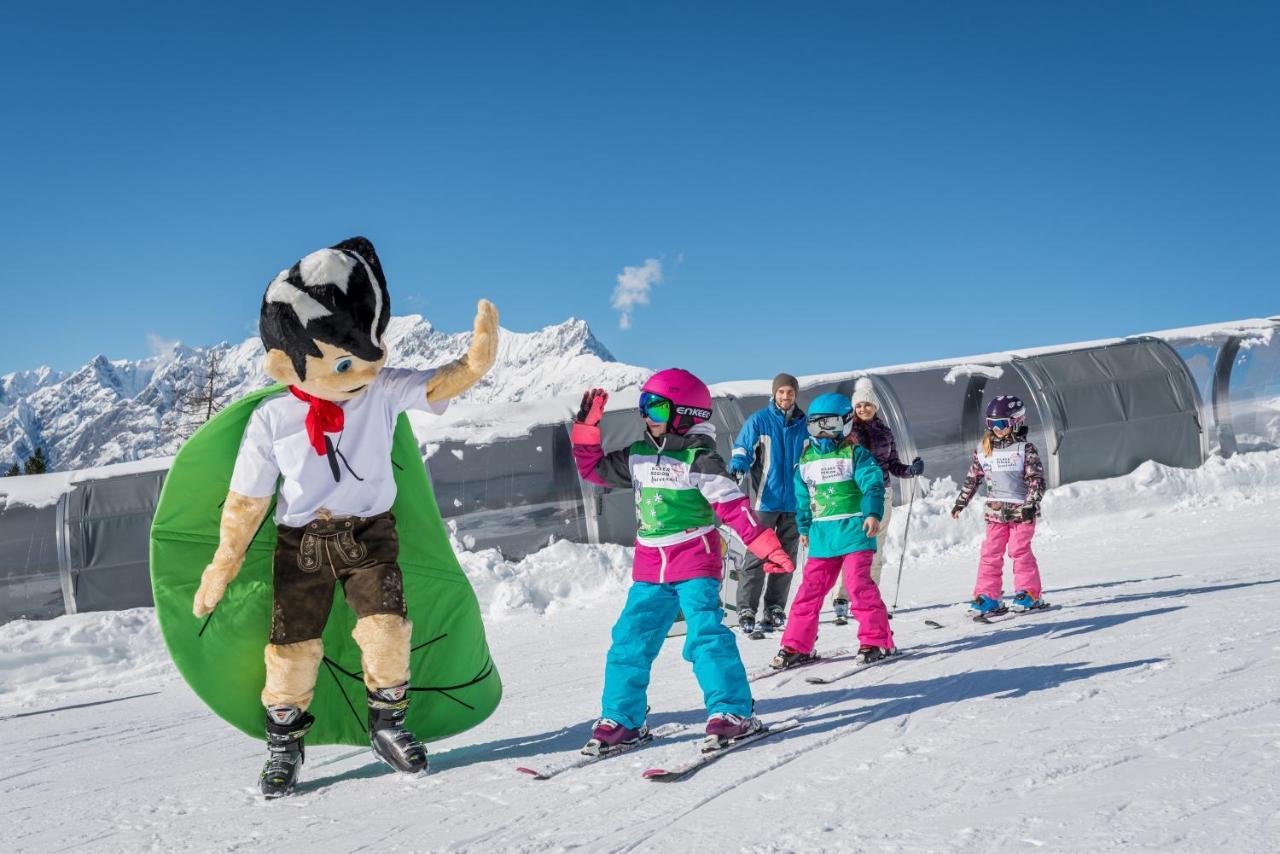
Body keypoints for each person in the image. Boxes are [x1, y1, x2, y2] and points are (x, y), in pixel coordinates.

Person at [191, 237, 499, 797]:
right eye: (344, 357)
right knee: (291, 646)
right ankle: (284, 744)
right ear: (286, 362)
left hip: (369, 535)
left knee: (385, 630)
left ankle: (388, 723)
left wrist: (474, 363)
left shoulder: (378, 390)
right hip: (300, 543)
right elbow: (247, 500)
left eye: (368, 346)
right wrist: (224, 560)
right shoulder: (273, 418)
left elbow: (434, 382)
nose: (367, 364)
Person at [571, 369, 795, 753]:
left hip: (694, 559)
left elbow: (733, 507)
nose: (646, 416)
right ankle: (623, 719)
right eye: (643, 406)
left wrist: (767, 547)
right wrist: (587, 427)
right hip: (649, 566)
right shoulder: (639, 454)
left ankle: (731, 711)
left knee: (705, 635)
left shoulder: (699, 459)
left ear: (685, 413)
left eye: (655, 407)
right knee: (629, 641)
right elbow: (593, 470)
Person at [772, 393, 893, 669]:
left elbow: (872, 485)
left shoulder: (856, 454)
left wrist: (873, 513)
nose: (825, 432)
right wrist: (803, 528)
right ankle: (796, 645)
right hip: (822, 537)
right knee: (809, 591)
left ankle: (876, 640)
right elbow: (802, 499)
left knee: (858, 585)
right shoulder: (805, 461)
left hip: (854, 532)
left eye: (832, 425)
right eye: (817, 426)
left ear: (847, 424)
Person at [831, 378, 923, 623]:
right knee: (853, 548)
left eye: (867, 405)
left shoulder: (885, 431)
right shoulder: (848, 432)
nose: (863, 409)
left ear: (875, 407)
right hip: (857, 495)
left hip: (882, 493)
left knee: (875, 549)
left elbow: (892, 464)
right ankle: (842, 597)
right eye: (859, 406)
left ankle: (870, 597)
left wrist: (909, 470)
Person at [951, 394, 1049, 617]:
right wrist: (960, 503)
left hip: (1021, 511)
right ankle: (989, 597)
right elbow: (972, 478)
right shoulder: (983, 450)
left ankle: (1029, 593)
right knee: (990, 553)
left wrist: (1031, 505)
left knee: (1019, 550)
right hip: (995, 512)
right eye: (991, 424)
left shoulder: (1025, 449)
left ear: (1016, 422)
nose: (997, 429)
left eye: (1002, 424)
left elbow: (1037, 480)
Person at [728, 372, 808, 635]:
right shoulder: (759, 421)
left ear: (796, 395)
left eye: (791, 392)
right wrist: (738, 467)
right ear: (774, 394)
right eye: (782, 392)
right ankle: (746, 608)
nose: (786, 397)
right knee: (757, 555)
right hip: (765, 500)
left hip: (794, 503)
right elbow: (742, 449)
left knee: (786, 557)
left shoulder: (805, 424)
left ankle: (774, 607)